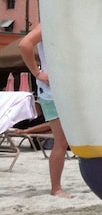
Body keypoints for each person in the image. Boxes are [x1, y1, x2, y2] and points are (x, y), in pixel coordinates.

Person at [18, 24, 70, 197]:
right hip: (51, 90)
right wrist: (37, 73)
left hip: (66, 89)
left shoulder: (69, 21)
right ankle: (56, 188)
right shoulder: (48, 23)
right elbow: (24, 44)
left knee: (69, 141)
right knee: (61, 142)